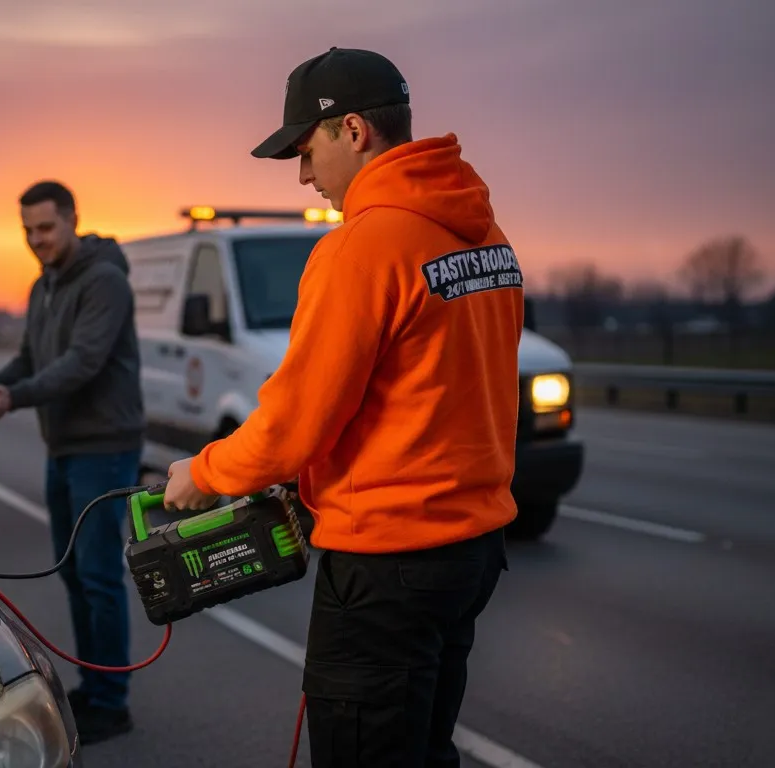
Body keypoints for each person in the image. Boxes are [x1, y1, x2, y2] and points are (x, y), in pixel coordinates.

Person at [161, 47, 519, 767]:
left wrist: (202, 472)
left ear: (352, 130)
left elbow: (293, 426)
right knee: (423, 751)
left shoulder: (361, 248)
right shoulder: (485, 236)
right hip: (471, 554)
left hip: (388, 566)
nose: (303, 175)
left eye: (305, 149)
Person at [0, 180, 144, 745]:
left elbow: (82, 362)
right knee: (72, 571)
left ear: (72, 220)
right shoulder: (46, 284)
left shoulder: (105, 281)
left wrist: (13, 398)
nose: (36, 239)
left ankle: (112, 702)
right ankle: (95, 685)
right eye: (28, 231)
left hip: (105, 447)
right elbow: (28, 359)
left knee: (97, 576)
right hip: (65, 446)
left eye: (45, 228)